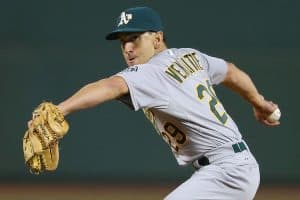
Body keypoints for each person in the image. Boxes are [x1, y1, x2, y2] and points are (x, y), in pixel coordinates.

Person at [55, 6, 280, 200]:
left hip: (226, 172)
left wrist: (60, 109)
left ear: (157, 38)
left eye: (134, 38)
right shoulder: (191, 56)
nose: (127, 48)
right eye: (123, 42)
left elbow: (110, 86)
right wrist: (258, 102)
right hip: (234, 166)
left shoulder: (150, 72)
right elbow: (230, 71)